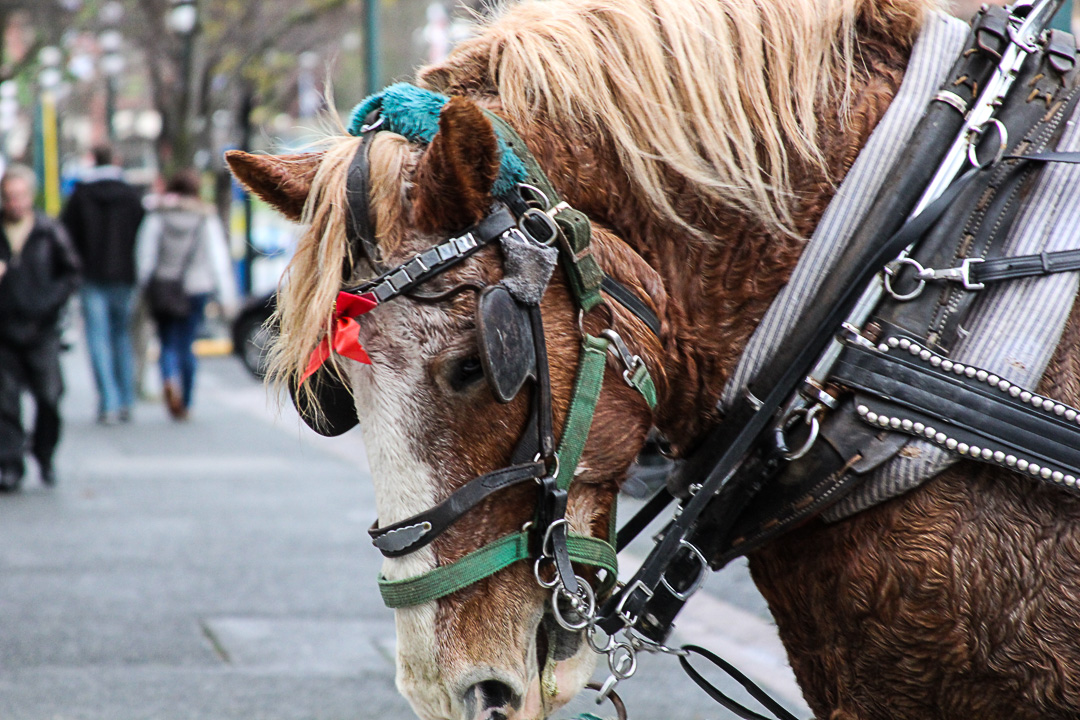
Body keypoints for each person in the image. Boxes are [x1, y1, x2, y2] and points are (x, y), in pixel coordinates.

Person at [0, 165, 81, 491]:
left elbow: (71, 273)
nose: (13, 203)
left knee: (49, 398)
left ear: (29, 197)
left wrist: (50, 302)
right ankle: (10, 463)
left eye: (19, 196)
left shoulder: (48, 230)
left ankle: (44, 453)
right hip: (3, 331)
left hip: (41, 330)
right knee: (4, 403)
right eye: (8, 197)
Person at [136, 169, 235, 420]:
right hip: (196, 288)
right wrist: (226, 296)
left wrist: (144, 285)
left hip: (163, 287)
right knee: (187, 343)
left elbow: (145, 253)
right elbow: (218, 258)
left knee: (166, 341)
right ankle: (187, 401)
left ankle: (169, 378)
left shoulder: (157, 216)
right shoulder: (205, 218)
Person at [61, 145, 145, 424]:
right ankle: (125, 400)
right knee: (121, 336)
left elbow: (66, 238)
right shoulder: (131, 196)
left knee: (97, 338)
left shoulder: (80, 195)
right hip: (125, 275)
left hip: (91, 276)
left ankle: (108, 401)